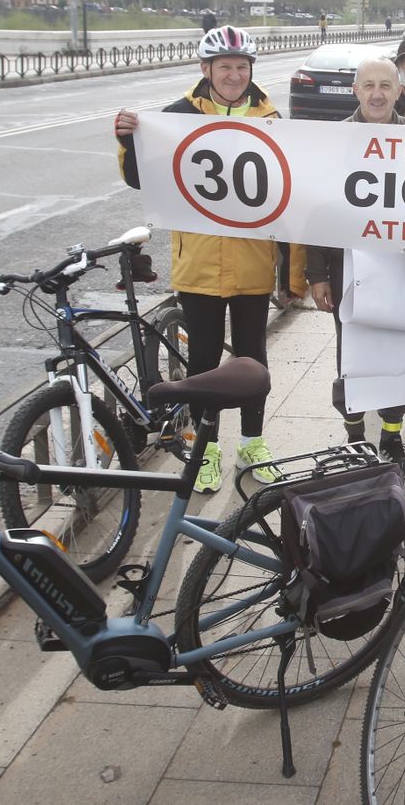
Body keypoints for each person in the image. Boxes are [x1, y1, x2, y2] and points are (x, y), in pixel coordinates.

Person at [113, 26, 304, 493]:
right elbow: (143, 178)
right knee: (202, 363)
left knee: (252, 357)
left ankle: (254, 442)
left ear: (251, 71)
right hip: (197, 263)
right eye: (225, 67)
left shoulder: (272, 117)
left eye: (242, 67)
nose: (235, 75)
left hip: (253, 263)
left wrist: (292, 271)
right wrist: (127, 140)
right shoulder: (177, 116)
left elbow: (292, 194)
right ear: (206, 70)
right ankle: (207, 449)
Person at [307, 57, 405, 477]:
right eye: (368, 85)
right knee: (351, 355)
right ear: (355, 91)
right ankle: (354, 438)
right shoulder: (335, 140)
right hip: (346, 269)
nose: (377, 93)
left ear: (398, 91)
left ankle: (391, 436)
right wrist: (316, 275)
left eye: (385, 86)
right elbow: (318, 208)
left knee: (396, 351)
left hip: (399, 270)